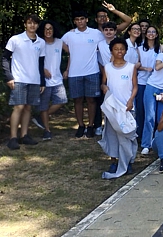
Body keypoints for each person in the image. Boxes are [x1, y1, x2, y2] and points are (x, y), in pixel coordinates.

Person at [3, 14, 46, 149]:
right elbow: (4, 58)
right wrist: (9, 77)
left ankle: (24, 135)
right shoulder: (15, 39)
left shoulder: (41, 42)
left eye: (35, 23)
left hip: (34, 80)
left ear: (38, 25)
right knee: (19, 107)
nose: (32, 25)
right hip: (19, 79)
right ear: (25, 24)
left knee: (28, 107)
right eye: (29, 23)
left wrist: (42, 82)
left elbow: (41, 63)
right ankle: (13, 138)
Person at [99, 37, 138, 179]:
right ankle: (114, 161)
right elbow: (103, 83)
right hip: (112, 108)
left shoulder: (131, 67)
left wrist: (131, 100)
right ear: (111, 51)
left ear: (126, 51)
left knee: (127, 135)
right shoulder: (107, 67)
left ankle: (128, 161)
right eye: (116, 49)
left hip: (126, 107)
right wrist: (104, 87)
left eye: (122, 49)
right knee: (112, 135)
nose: (119, 51)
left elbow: (135, 86)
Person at [62, 10, 104, 139]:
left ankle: (90, 126)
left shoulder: (96, 33)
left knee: (91, 100)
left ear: (86, 19)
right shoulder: (70, 35)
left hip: (92, 72)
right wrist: (71, 51)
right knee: (78, 100)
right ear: (74, 21)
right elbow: (60, 43)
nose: (80, 21)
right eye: (77, 19)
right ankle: (81, 126)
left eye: (82, 18)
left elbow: (105, 45)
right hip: (75, 73)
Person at [36, 20, 67, 140]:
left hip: (57, 78)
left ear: (54, 30)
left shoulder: (59, 42)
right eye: (46, 29)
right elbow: (33, 59)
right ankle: (47, 130)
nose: (48, 31)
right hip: (44, 80)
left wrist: (67, 69)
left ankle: (41, 117)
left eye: (50, 29)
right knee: (43, 106)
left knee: (62, 100)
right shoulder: (39, 42)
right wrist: (43, 69)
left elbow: (72, 52)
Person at [135, 25, 160, 138]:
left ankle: (153, 135)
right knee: (141, 109)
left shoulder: (160, 48)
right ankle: (140, 134)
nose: (151, 34)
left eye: (153, 32)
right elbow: (136, 66)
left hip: (155, 83)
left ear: (157, 34)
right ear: (145, 34)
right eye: (149, 32)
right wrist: (145, 68)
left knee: (153, 111)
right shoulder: (139, 49)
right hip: (142, 82)